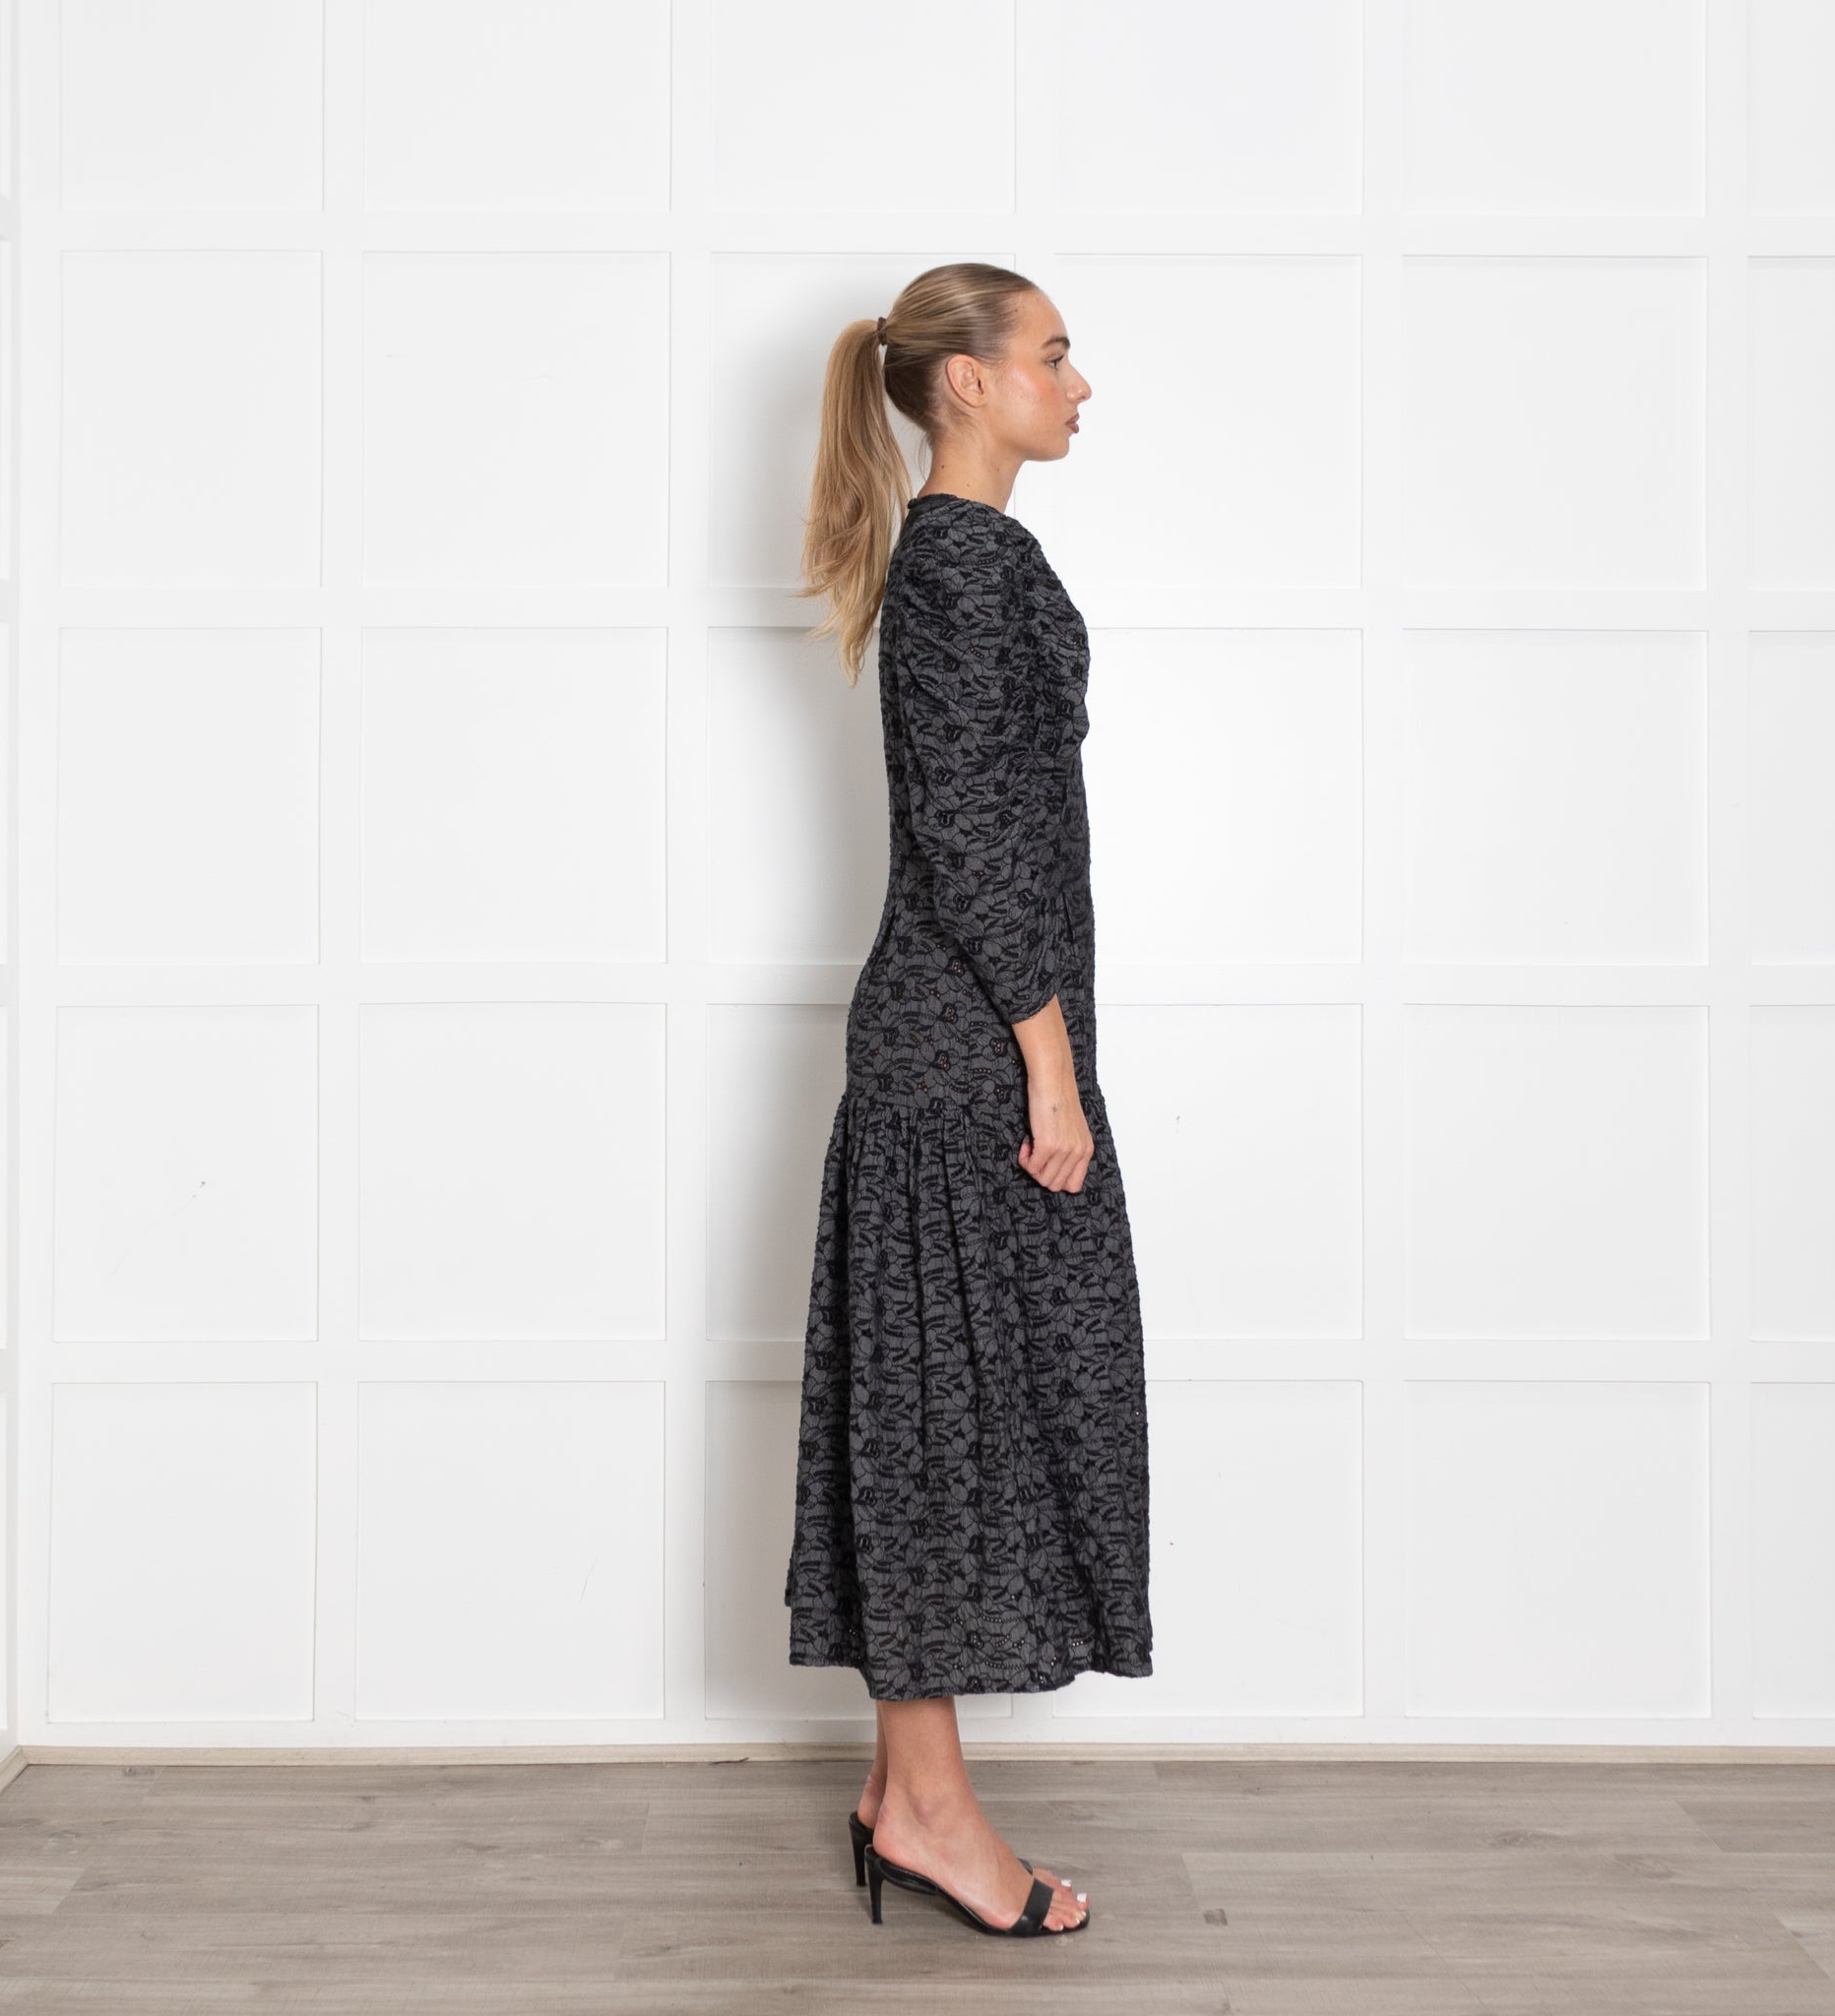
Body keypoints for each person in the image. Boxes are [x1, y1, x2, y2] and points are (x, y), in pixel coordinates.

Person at [784, 263, 1152, 1938]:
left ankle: (904, 1787)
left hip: (965, 1045)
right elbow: (974, 839)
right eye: (1054, 355)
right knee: (945, 1423)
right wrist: (1050, 1069)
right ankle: (933, 1808)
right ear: (970, 383)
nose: (1080, 384)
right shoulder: (958, 564)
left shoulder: (970, 557)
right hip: (965, 1060)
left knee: (952, 1410)